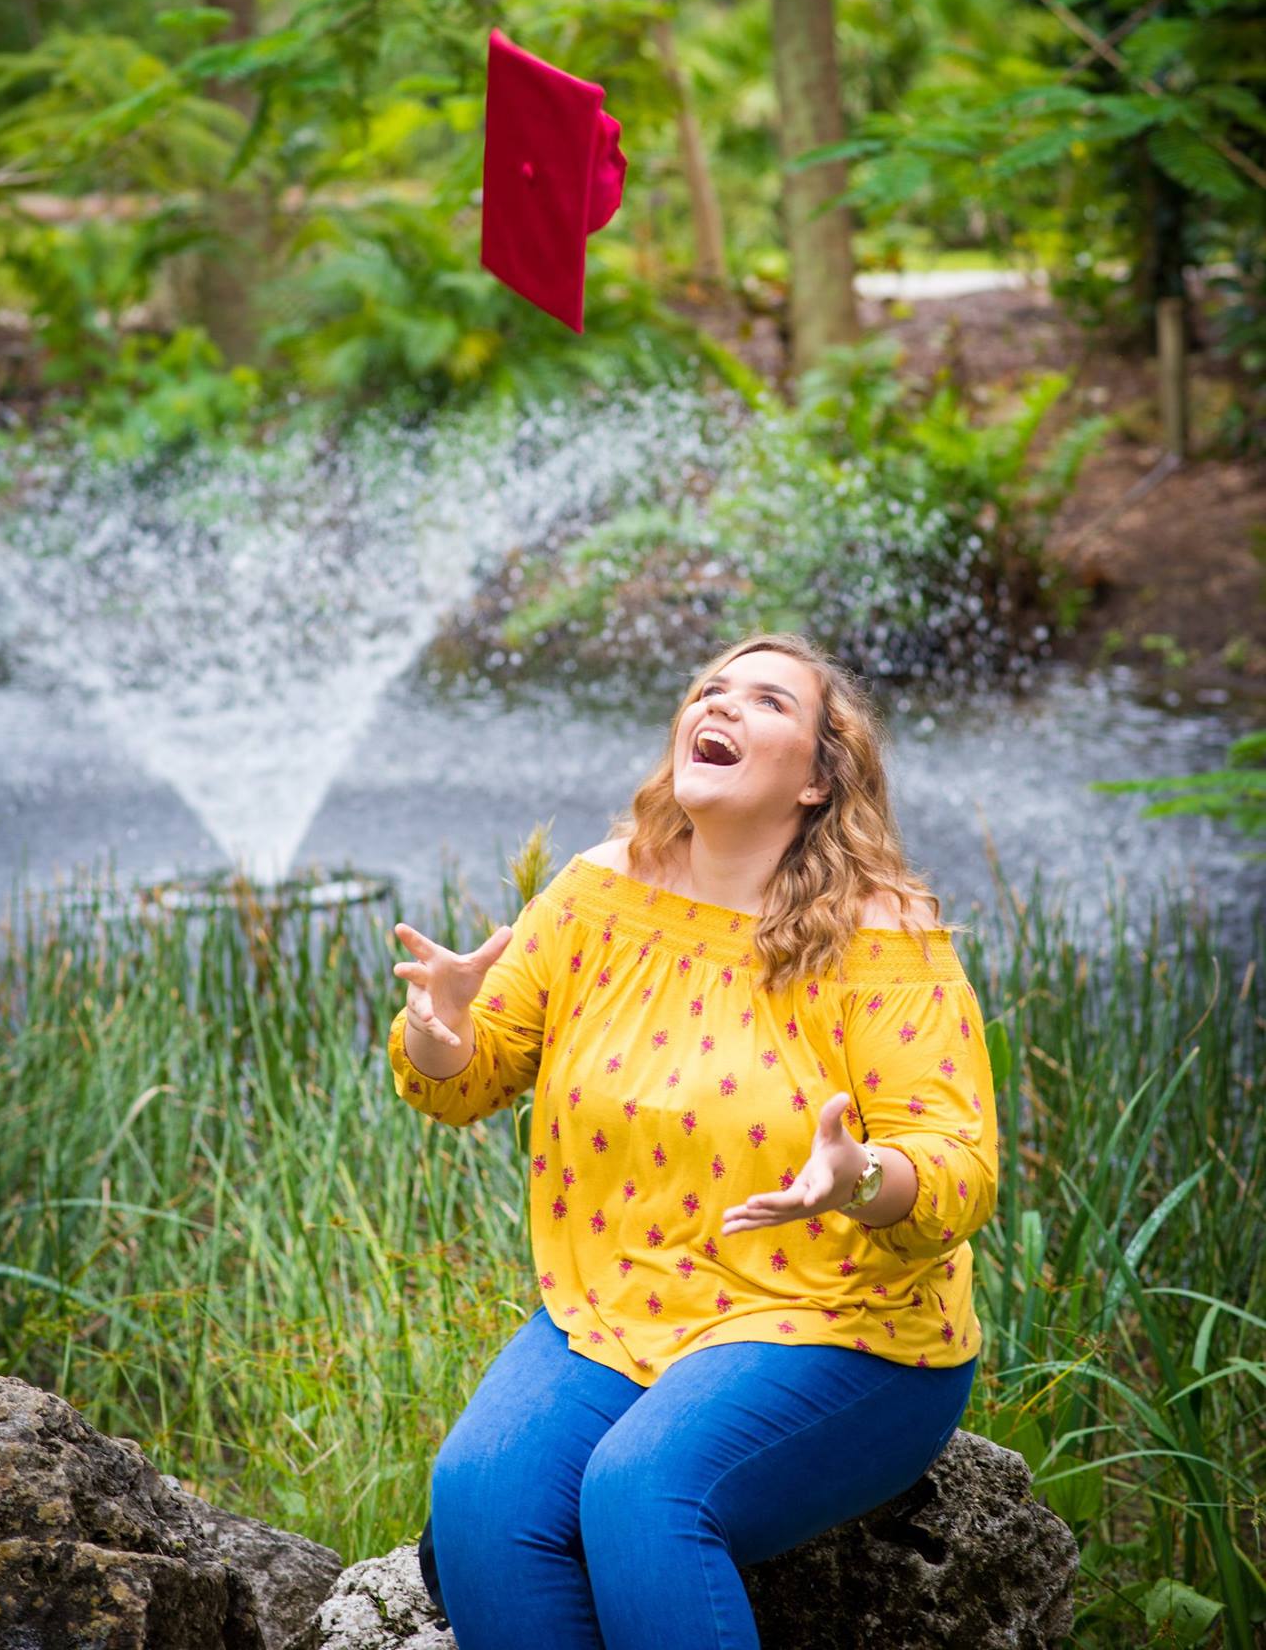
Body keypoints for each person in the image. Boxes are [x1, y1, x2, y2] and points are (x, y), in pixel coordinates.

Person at [387, 631, 999, 1650]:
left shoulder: (882, 936)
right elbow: (470, 1075)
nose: (717, 704)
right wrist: (438, 1034)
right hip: (618, 1303)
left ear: (815, 778)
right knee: (479, 1494)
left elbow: (958, 1164)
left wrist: (857, 1177)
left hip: (839, 1322)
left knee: (641, 1488)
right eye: (709, 688)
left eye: (765, 700)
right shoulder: (594, 893)